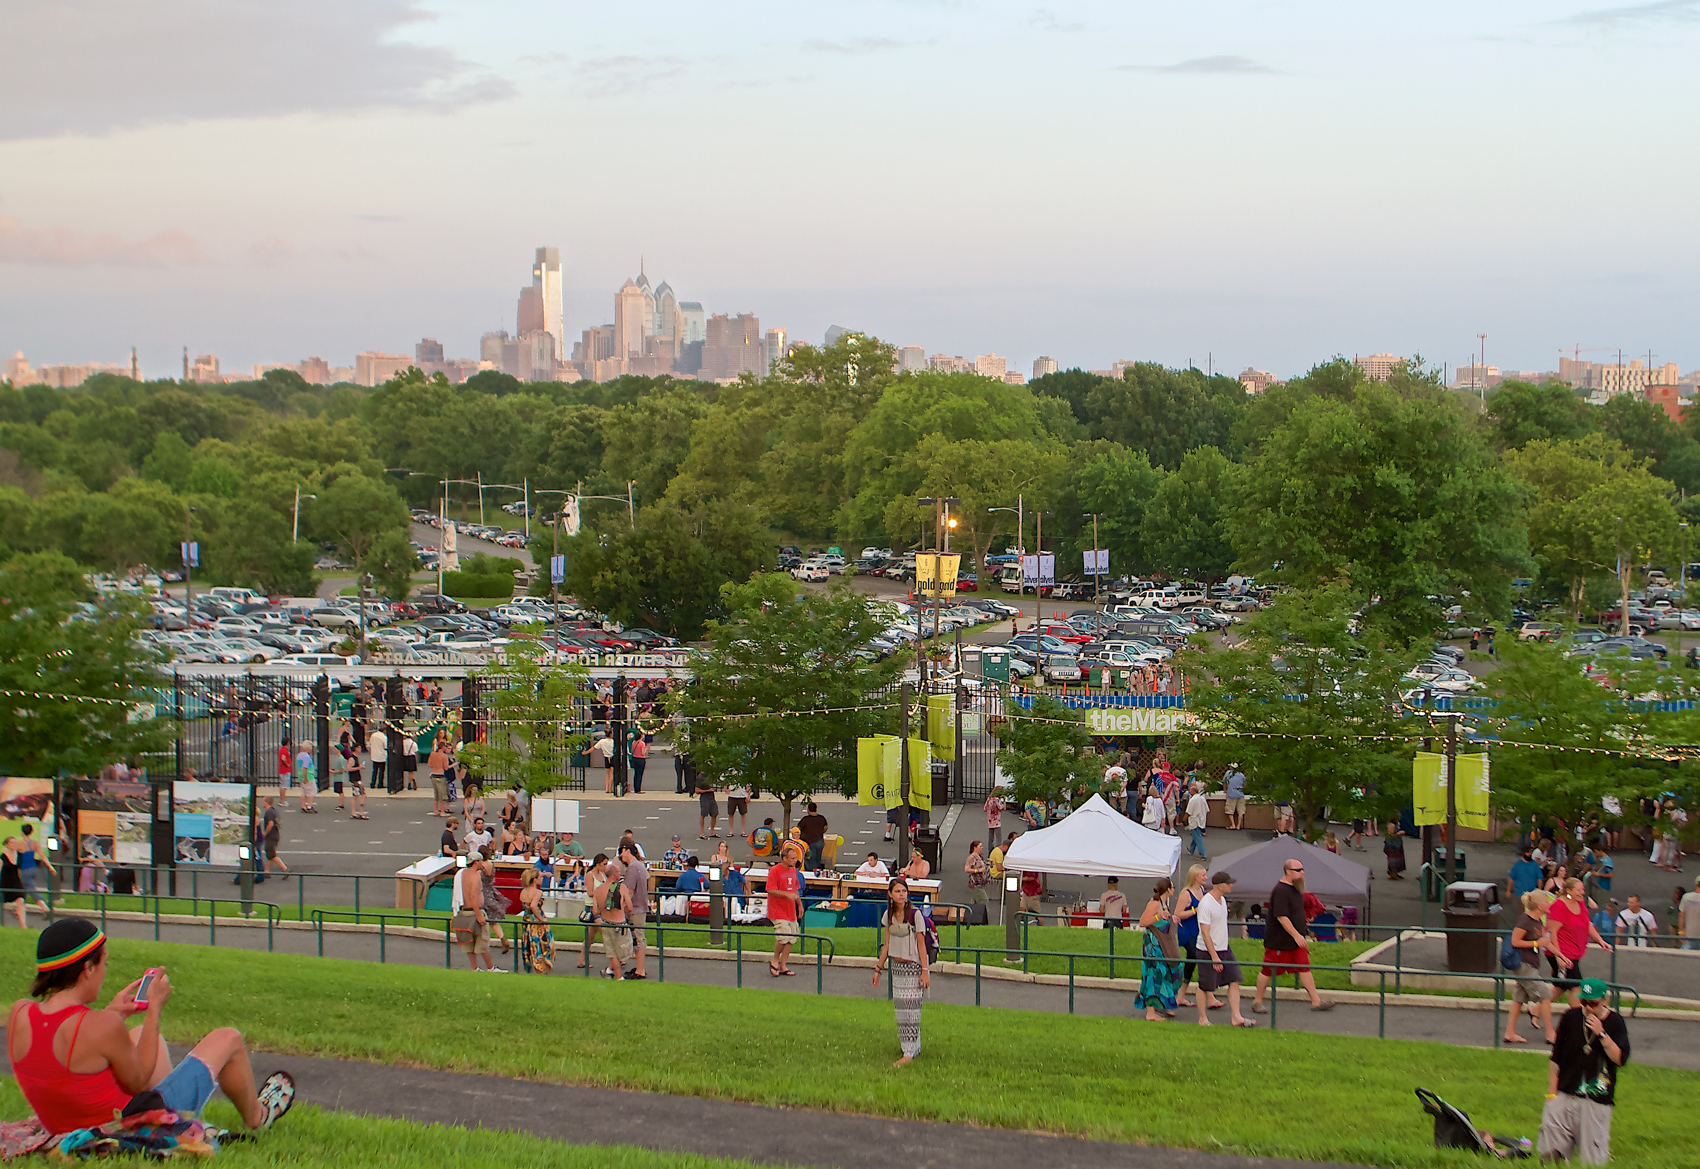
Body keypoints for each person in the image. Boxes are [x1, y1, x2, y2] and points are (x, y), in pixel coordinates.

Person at [8, 920, 296, 1135]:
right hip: (125, 1128)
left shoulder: (20, 1013)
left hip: (69, 1126)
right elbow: (138, 1079)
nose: (105, 971)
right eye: (104, 963)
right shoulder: (100, 1026)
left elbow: (66, 1051)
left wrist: (112, 1014)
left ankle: (188, 1121)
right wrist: (154, 1009)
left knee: (138, 1037)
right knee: (228, 1038)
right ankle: (258, 1117)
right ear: (88, 968)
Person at [1539, 978, 1630, 1165]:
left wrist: (1601, 1033)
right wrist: (1551, 1095)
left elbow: (1619, 1059)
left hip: (1596, 1100)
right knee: (1550, 1153)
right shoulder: (1571, 1017)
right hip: (1564, 1094)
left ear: (1604, 1001)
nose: (1588, 1008)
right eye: (1584, 1002)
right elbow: (1556, 1058)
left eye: (1593, 1003)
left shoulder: (1615, 1022)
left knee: (1592, 1159)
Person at [1252, 859, 1334, 1013]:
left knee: (1304, 967)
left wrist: (1304, 920)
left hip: (1296, 939)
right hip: (1279, 941)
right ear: (1289, 872)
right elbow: (1281, 916)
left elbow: (1294, 911)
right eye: (1298, 870)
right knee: (1268, 970)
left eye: (1302, 869)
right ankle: (1257, 1001)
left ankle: (1316, 1001)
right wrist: (1296, 935)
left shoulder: (1295, 889)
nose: (1302, 873)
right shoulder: (1281, 890)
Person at [871, 877, 929, 1066]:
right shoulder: (888, 915)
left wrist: (925, 970)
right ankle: (912, 1046)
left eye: (903, 891)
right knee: (902, 1011)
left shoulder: (915, 914)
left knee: (912, 1010)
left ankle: (908, 1052)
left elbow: (921, 944)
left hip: (912, 967)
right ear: (890, 894)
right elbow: (886, 944)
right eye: (897, 891)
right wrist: (878, 969)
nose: (901, 895)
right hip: (897, 968)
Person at [1195, 871, 1254, 1027]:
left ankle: (1236, 1017)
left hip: (1224, 948)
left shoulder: (1222, 900)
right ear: (1220, 886)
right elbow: (1205, 933)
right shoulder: (1206, 904)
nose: (1231, 886)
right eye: (1229, 883)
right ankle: (1203, 1019)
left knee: (1234, 980)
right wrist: (1214, 956)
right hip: (1207, 951)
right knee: (1205, 985)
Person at [1547, 877, 1611, 1008]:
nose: (1582, 892)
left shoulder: (1580, 904)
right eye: (1579, 890)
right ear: (1569, 890)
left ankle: (1536, 1010)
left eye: (1583, 889)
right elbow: (1552, 932)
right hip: (1562, 953)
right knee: (1576, 986)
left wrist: (1600, 941)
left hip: (1574, 952)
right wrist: (1559, 956)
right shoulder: (1559, 906)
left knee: (1562, 986)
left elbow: (1587, 924)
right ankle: (1576, 1015)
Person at [1504, 890, 1556, 1045]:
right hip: (1523, 964)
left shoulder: (1538, 922)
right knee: (1545, 995)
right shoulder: (1525, 920)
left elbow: (1544, 943)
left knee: (1519, 998)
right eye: (1547, 901)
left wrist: (1561, 956)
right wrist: (1535, 944)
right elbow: (1515, 941)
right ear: (1539, 905)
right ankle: (1550, 1034)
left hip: (1531, 963)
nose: (1549, 904)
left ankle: (1510, 1032)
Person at [1174, 864, 1223, 1011]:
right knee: (1198, 958)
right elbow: (1177, 913)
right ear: (1195, 876)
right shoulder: (1186, 894)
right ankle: (1210, 997)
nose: (1206, 878)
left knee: (1193, 962)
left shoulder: (1201, 890)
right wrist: (1195, 910)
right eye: (1203, 875)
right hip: (1187, 932)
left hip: (1198, 931)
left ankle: (1181, 995)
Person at [1137, 878, 1180, 1021]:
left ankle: (1165, 1003)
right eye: (1172, 887)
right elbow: (1143, 922)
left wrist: (1171, 919)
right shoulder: (1154, 903)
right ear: (1168, 889)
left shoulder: (1164, 903)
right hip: (1153, 946)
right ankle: (1151, 1012)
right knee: (1153, 975)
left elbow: (1162, 920)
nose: (1174, 889)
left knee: (1171, 971)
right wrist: (1157, 916)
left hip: (1162, 945)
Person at [766, 843, 804, 976]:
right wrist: (787, 895)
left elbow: (795, 889)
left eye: (795, 858)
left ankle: (783, 966)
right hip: (777, 909)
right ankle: (775, 960)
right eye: (792, 858)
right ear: (784, 858)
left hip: (790, 910)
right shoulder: (775, 871)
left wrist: (799, 904)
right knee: (783, 936)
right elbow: (770, 889)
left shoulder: (794, 871)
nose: (795, 861)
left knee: (792, 937)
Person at [456, 852, 497, 973]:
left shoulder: (462, 874)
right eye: (481, 861)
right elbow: (473, 896)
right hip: (474, 913)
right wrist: (479, 916)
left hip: (463, 911)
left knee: (468, 942)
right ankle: (490, 968)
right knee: (482, 941)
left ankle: (475, 968)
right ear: (476, 862)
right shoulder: (475, 876)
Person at [619, 840, 649, 980]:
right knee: (638, 938)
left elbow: (629, 891)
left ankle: (640, 969)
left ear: (627, 850)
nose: (620, 855)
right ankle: (639, 967)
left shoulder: (632, 867)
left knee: (638, 938)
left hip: (635, 908)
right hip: (641, 906)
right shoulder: (640, 866)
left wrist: (623, 908)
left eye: (622, 851)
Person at [797, 802, 829, 871]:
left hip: (809, 842)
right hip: (819, 841)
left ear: (808, 810)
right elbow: (825, 827)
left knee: (810, 860)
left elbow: (798, 828)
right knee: (818, 859)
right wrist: (821, 832)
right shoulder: (821, 818)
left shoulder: (805, 819)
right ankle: (817, 871)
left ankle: (812, 873)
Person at [259, 796, 287, 874]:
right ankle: (266, 872)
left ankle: (285, 869)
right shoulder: (274, 811)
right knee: (270, 854)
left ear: (266, 802)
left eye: (263, 801)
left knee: (272, 855)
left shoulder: (269, 812)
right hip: (275, 835)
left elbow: (270, 824)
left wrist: (264, 833)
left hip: (271, 836)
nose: (262, 803)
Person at [1184, 781, 1209, 859]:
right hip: (1201, 819)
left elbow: (1188, 812)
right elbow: (1207, 809)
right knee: (1196, 835)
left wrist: (1184, 820)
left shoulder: (1193, 800)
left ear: (1193, 791)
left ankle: (1203, 854)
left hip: (1195, 820)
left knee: (1198, 837)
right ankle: (1191, 849)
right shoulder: (1202, 798)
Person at [427, 738, 451, 817]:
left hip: (433, 774)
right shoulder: (444, 756)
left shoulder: (433, 754)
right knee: (442, 794)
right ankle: (442, 811)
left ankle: (436, 811)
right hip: (440, 775)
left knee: (436, 794)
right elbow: (446, 767)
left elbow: (429, 764)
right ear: (443, 747)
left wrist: (434, 766)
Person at [963, 842, 989, 911]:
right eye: (980, 846)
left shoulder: (979, 856)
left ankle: (971, 918)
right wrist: (978, 870)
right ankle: (985, 919)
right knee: (984, 901)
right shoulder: (971, 857)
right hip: (976, 883)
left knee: (974, 903)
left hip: (980, 883)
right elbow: (966, 869)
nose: (982, 847)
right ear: (975, 848)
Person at [695, 770, 720, 839]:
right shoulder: (700, 777)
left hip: (712, 798)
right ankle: (702, 833)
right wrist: (707, 791)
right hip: (704, 798)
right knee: (703, 814)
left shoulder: (711, 775)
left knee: (715, 813)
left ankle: (712, 831)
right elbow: (697, 790)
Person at [1222, 764, 1247, 830]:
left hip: (1231, 794)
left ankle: (1233, 825)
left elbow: (1224, 782)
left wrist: (1225, 790)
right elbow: (1244, 784)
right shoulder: (1241, 775)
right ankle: (1238, 825)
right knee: (1241, 811)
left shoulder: (1228, 773)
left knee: (1230, 810)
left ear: (1231, 767)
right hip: (1240, 794)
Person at [294, 741, 317, 813]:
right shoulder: (306, 757)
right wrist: (305, 778)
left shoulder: (299, 755)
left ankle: (303, 806)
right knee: (311, 790)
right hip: (308, 776)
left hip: (300, 775)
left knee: (303, 791)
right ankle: (309, 806)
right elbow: (305, 768)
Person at [329, 730, 349, 812]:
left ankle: (341, 805)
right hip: (337, 777)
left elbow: (342, 770)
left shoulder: (341, 759)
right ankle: (341, 804)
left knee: (340, 791)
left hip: (339, 777)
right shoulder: (339, 758)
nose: (334, 749)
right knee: (339, 790)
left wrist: (333, 772)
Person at [367, 725, 387, 796]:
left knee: (374, 771)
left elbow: (370, 744)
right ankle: (380, 784)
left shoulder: (373, 735)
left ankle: (373, 783)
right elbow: (385, 746)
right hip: (381, 756)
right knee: (381, 771)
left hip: (374, 755)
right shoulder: (384, 737)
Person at [1681, 876, 1700, 950]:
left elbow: (1681, 915)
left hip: (1689, 935)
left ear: (1696, 884)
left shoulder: (1686, 897)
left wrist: (1681, 931)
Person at [276, 736, 293, 805]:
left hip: (283, 770)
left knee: (282, 785)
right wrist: (287, 764)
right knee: (284, 786)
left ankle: (282, 800)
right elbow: (283, 759)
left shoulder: (282, 749)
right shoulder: (284, 750)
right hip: (285, 770)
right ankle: (282, 800)